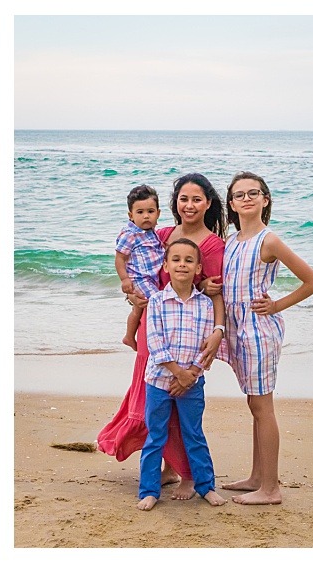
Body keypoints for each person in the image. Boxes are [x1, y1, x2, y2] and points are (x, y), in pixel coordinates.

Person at [98, 172, 227, 500]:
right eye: (183, 198)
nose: (189, 205)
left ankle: (187, 474)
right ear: (174, 204)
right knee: (152, 403)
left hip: (189, 335)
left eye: (197, 199)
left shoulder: (212, 244)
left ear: (208, 203)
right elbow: (144, 272)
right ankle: (168, 469)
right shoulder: (162, 233)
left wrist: (218, 331)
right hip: (155, 328)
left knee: (181, 409)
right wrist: (130, 293)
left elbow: (212, 292)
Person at [217, 171, 313, 505]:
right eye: (239, 195)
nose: (246, 198)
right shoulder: (232, 241)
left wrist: (276, 304)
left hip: (258, 331)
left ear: (265, 199)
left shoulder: (269, 240)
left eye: (254, 193)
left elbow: (312, 281)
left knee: (263, 406)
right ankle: (256, 477)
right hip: (235, 330)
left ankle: (271, 488)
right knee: (254, 403)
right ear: (231, 205)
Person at [137, 239, 227, 511]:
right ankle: (149, 491)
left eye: (189, 260)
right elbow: (155, 343)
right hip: (159, 381)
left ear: (198, 267)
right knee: (156, 437)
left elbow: (207, 343)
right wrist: (178, 373)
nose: (182, 265)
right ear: (166, 265)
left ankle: (206, 487)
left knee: (194, 433)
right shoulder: (157, 301)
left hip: (192, 382)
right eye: (175, 259)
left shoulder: (205, 304)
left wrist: (193, 373)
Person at [116, 185, 165, 351]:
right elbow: (120, 258)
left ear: (158, 213)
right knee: (157, 301)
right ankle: (151, 338)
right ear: (131, 215)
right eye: (140, 212)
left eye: (150, 211)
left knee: (138, 309)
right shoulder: (129, 234)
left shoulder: (152, 232)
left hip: (151, 278)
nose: (146, 216)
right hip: (139, 279)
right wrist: (125, 279)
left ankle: (129, 336)